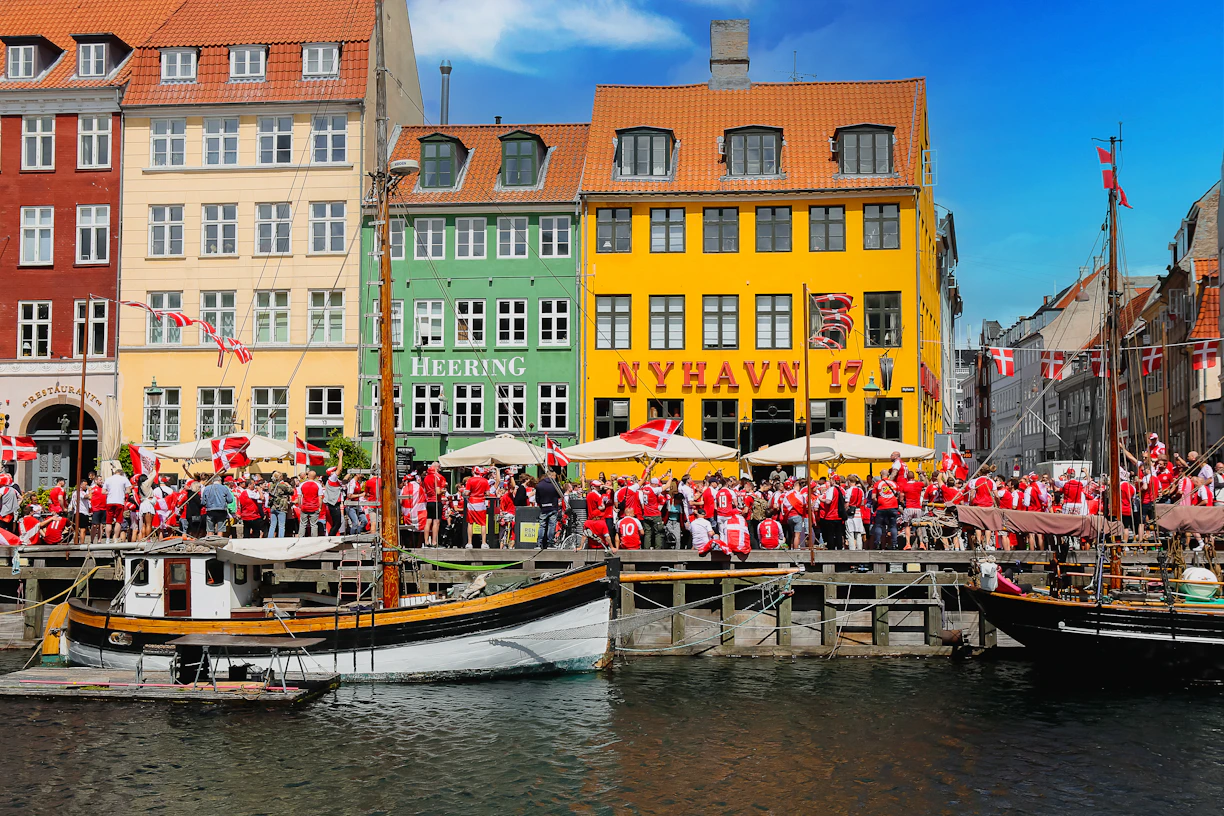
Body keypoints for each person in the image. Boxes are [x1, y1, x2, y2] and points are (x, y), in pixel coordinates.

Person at [870, 469, 901, 550]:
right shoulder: (894, 483)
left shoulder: (877, 484)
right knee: (893, 526)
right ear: (888, 474)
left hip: (881, 507)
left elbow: (873, 497)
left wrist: (878, 501)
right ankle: (894, 544)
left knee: (879, 525)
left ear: (881, 475)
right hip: (893, 506)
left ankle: (877, 543)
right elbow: (899, 495)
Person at [464, 466, 492, 549]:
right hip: (481, 502)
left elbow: (467, 493)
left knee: (470, 523)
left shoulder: (470, 480)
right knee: (483, 523)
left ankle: (469, 543)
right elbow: (488, 493)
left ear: (473, 472)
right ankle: (484, 543)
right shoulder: (485, 481)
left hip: (472, 502)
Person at [535, 468, 563, 550]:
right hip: (553, 507)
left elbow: (537, 498)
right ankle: (550, 543)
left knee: (541, 526)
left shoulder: (540, 484)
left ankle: (539, 544)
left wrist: (541, 504)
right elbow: (561, 494)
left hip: (543, 507)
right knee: (551, 525)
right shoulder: (555, 484)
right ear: (553, 475)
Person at [815, 476, 845, 550]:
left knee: (830, 534)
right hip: (839, 514)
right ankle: (839, 548)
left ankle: (831, 549)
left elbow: (828, 501)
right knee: (838, 534)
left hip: (831, 514)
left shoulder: (832, 489)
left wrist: (820, 499)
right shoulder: (841, 489)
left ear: (833, 481)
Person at [102, 468, 131, 543]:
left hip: (109, 501)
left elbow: (103, 491)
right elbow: (128, 491)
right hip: (119, 501)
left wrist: (110, 492)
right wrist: (122, 492)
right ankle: (115, 538)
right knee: (118, 521)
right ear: (122, 474)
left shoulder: (108, 479)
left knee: (108, 522)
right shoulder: (124, 479)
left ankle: (107, 539)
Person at [422, 464, 447, 548]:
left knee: (428, 521)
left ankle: (426, 541)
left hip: (429, 501)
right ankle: (434, 542)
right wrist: (443, 490)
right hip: (436, 501)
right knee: (436, 522)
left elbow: (425, 490)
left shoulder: (426, 477)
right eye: (439, 467)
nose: (440, 469)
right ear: (436, 467)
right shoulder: (436, 477)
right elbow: (438, 492)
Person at [296, 471, 322, 537]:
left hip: (304, 507)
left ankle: (300, 538)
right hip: (314, 507)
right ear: (315, 477)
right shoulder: (318, 485)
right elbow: (320, 497)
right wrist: (320, 507)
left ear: (308, 476)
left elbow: (299, 496)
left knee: (303, 524)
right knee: (314, 524)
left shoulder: (302, 484)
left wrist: (300, 505)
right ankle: (314, 539)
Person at [268, 472, 293, 538]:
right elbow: (291, 491)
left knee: (272, 524)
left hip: (273, 506)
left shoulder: (271, 485)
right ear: (280, 477)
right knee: (281, 525)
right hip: (281, 506)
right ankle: (281, 538)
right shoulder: (282, 485)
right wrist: (288, 485)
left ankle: (269, 538)